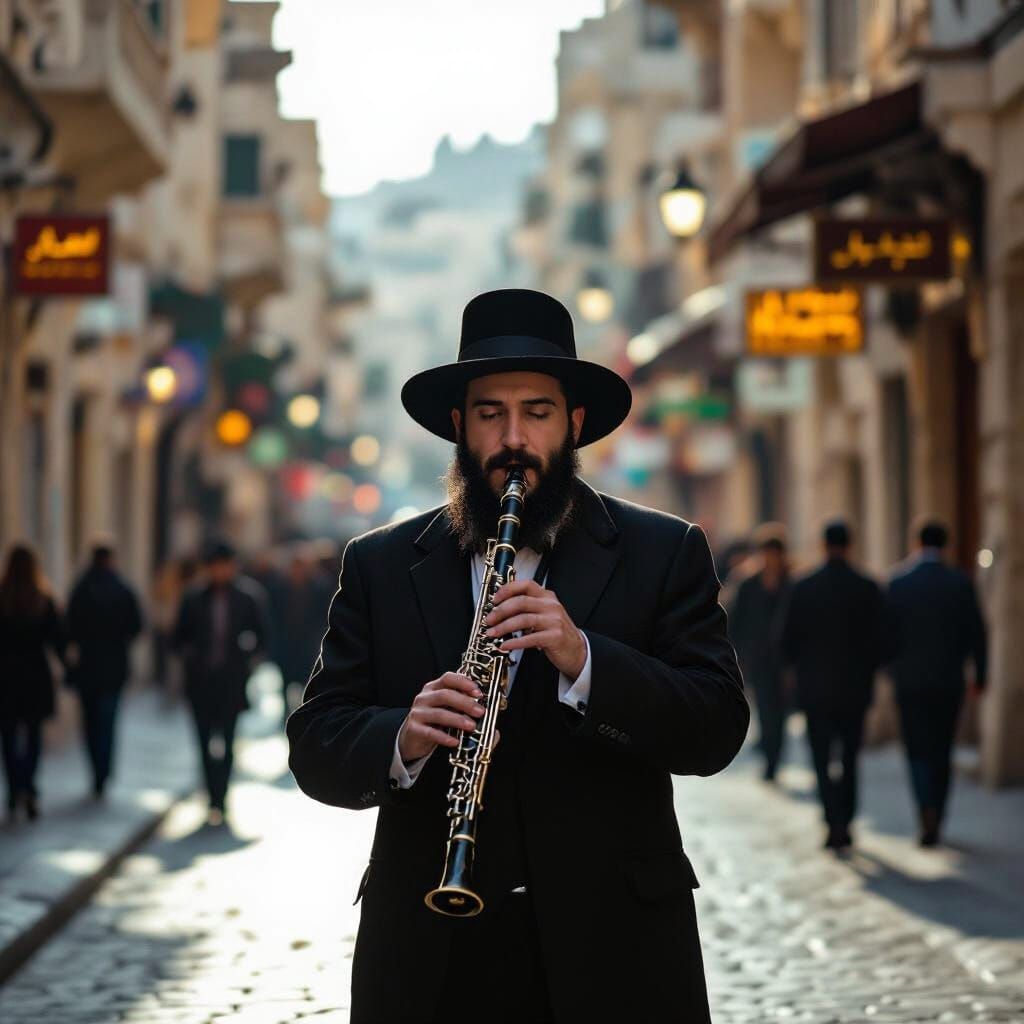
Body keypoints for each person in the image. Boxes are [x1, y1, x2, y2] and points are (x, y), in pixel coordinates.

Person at [287, 288, 748, 1024]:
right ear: (458, 427)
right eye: (490, 414)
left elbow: (717, 726)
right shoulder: (378, 565)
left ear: (574, 424)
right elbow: (315, 745)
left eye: (536, 412)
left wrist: (584, 658)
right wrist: (402, 736)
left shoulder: (664, 553)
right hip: (433, 962)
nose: (513, 439)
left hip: (615, 958)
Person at [781, 519, 885, 851]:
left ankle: (832, 820)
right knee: (851, 757)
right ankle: (847, 818)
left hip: (815, 690)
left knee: (822, 758)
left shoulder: (804, 586)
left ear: (823, 545)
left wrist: (794, 670)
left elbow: (785, 641)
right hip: (855, 689)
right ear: (850, 545)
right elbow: (883, 640)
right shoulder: (867, 587)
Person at [886, 520, 987, 846]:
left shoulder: (899, 583)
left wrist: (891, 672)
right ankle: (938, 814)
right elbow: (978, 634)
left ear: (917, 543)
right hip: (948, 681)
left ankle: (924, 809)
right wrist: (981, 676)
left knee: (916, 748)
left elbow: (885, 637)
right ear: (946, 545)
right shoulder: (960, 582)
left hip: (910, 682)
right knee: (942, 749)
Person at [172, 539, 269, 825]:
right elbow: (177, 638)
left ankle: (222, 797)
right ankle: (211, 796)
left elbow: (263, 636)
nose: (219, 572)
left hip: (231, 683)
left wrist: (249, 653)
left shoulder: (248, 597)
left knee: (227, 742)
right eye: (214, 567)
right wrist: (189, 654)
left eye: (224, 566)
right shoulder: (193, 598)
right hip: (200, 683)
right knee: (203, 743)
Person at [65, 540, 144, 798]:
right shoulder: (122, 589)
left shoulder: (82, 588)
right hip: (113, 667)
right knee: (107, 722)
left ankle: (96, 772)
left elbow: (68, 627)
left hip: (88, 667)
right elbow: (136, 626)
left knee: (90, 723)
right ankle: (104, 771)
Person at [0, 544, 65, 822]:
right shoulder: (43, 598)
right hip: (35, 676)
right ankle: (28, 786)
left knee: (9, 737)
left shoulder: (2, 598)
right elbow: (58, 638)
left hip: (6, 678)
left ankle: (15, 788)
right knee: (34, 736)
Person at [729, 524, 792, 781]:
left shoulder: (793, 582)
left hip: (787, 661)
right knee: (766, 709)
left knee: (781, 712)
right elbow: (735, 622)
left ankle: (775, 754)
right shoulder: (747, 584)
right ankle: (770, 761)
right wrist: (738, 657)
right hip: (758, 659)